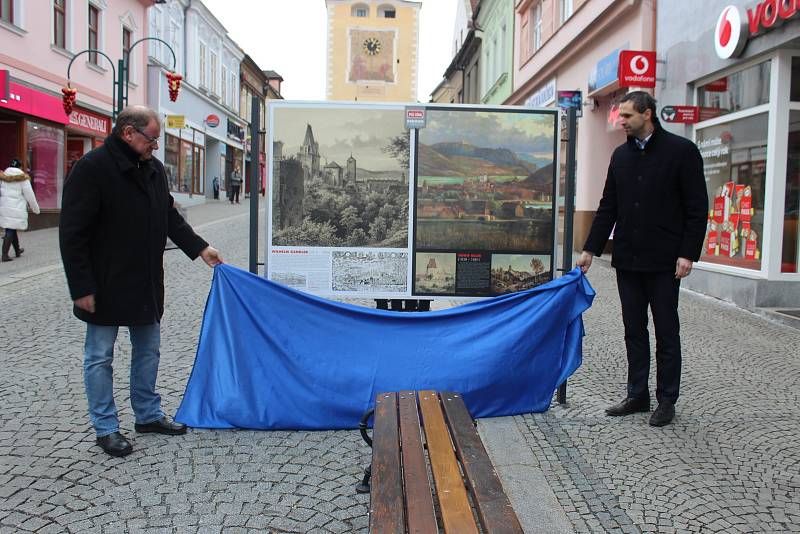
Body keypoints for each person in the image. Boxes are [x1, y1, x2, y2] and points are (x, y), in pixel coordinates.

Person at [59, 106, 224, 458]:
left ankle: (147, 415)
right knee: (99, 356)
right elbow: (72, 234)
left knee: (148, 351)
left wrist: (200, 249)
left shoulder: (153, 169)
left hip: (146, 280)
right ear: (128, 133)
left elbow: (168, 216)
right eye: (151, 138)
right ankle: (106, 428)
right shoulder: (92, 169)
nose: (155, 145)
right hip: (104, 283)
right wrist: (82, 287)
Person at [576, 91, 708, 427]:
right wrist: (590, 249)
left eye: (627, 117)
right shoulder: (620, 156)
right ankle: (638, 394)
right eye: (621, 116)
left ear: (647, 114)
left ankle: (667, 399)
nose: (621, 122)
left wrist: (688, 253)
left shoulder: (681, 152)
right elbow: (609, 206)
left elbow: (696, 208)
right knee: (633, 329)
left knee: (666, 330)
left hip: (665, 261)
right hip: (628, 260)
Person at [0, 158, 40, 262]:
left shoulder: (3, 177)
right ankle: (4, 255)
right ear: (20, 167)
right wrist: (35, 209)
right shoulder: (23, 178)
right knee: (10, 230)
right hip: (16, 207)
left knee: (12, 228)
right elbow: (29, 195)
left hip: (5, 206)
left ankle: (17, 251)